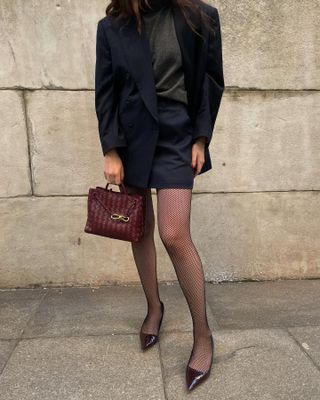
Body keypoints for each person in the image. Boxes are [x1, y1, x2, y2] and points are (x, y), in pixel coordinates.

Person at [95, 0, 224, 391]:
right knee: (140, 229)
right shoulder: (111, 26)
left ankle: (202, 334)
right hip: (132, 136)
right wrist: (111, 149)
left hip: (178, 134)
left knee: (173, 233)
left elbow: (210, 81)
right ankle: (154, 307)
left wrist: (201, 137)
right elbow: (106, 91)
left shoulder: (199, 16)